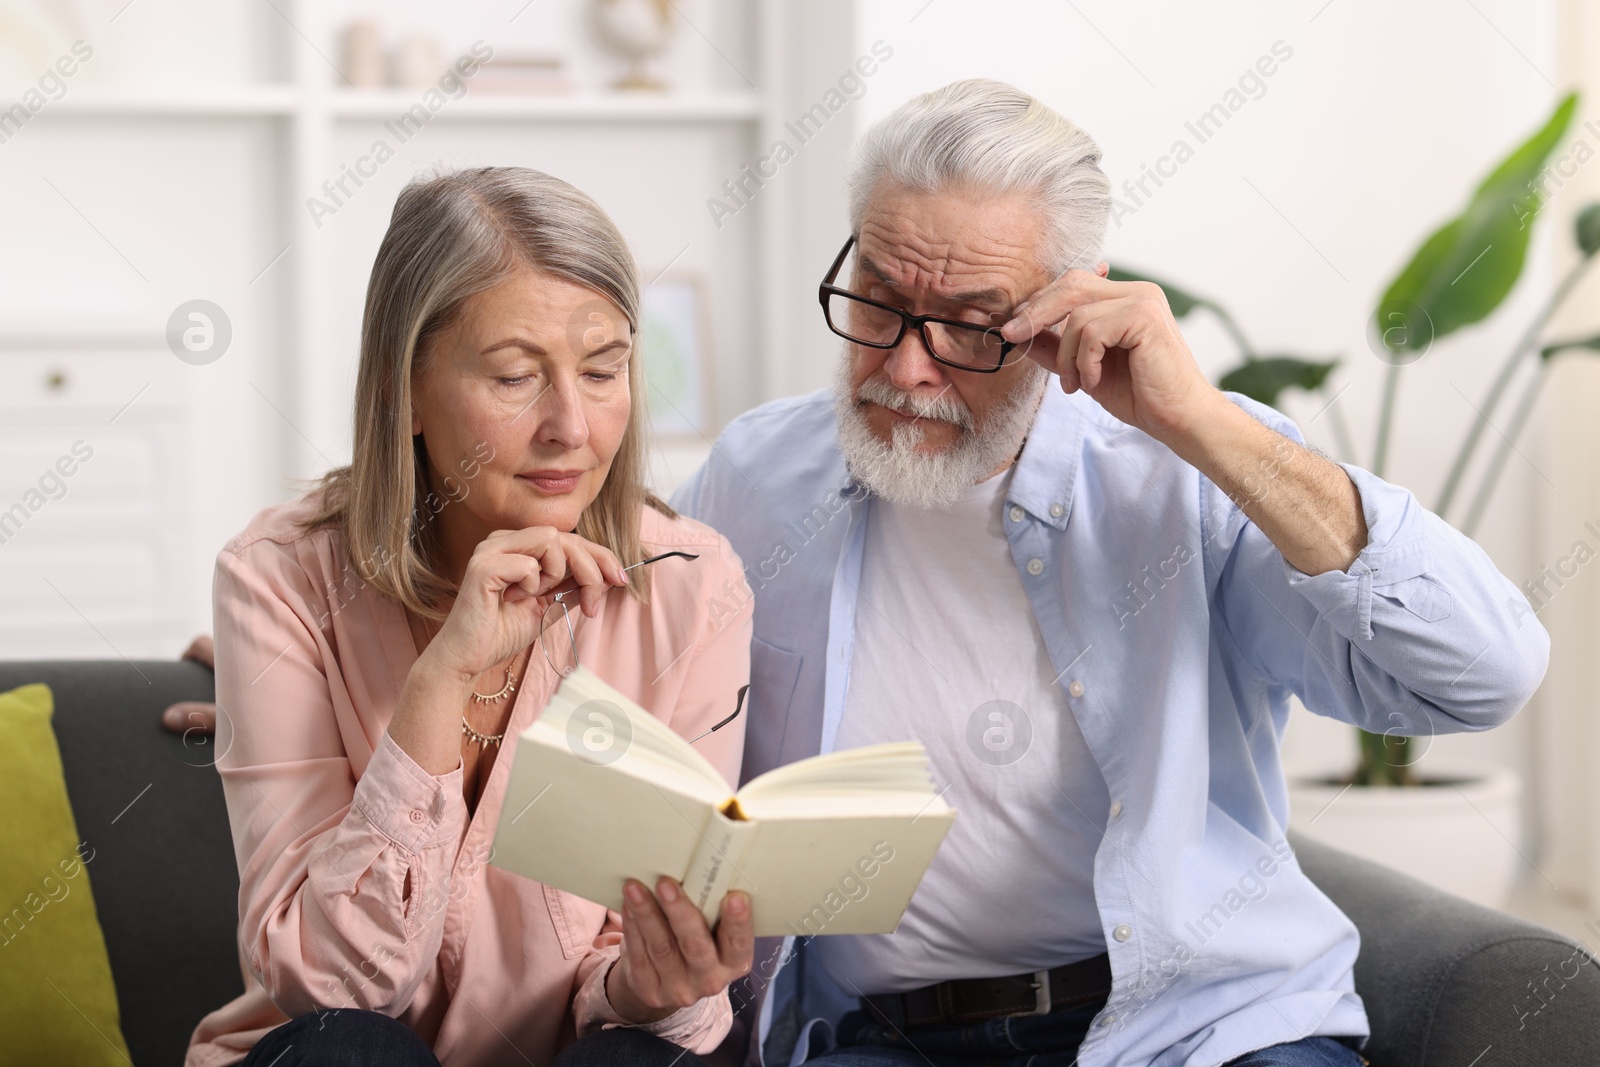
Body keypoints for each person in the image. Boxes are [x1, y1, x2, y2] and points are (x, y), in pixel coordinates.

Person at [670, 80, 1551, 1067]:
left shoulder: (1188, 476)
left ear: (1071, 300)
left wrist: (1205, 425)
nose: (906, 369)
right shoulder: (754, 477)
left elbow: (1481, 674)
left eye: (969, 325)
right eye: (878, 299)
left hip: (1193, 1031)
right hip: (878, 1037)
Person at [185, 167, 755, 1067]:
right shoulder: (279, 577)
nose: (572, 424)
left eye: (604, 370)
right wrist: (438, 682)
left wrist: (647, 986)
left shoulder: (691, 583)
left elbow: (634, 973)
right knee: (350, 1050)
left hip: (576, 1053)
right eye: (517, 376)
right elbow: (327, 988)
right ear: (401, 390)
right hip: (346, 1049)